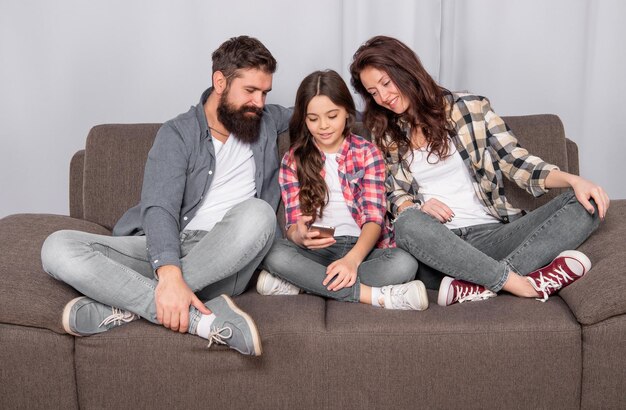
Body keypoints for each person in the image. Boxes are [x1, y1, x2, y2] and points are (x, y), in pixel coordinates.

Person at [41, 36, 292, 356]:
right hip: (166, 249)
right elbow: (159, 208)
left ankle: (126, 305)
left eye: (265, 92)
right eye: (250, 91)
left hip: (227, 257)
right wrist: (169, 273)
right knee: (57, 248)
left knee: (258, 214)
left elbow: (323, 109)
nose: (259, 102)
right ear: (220, 82)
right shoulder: (178, 133)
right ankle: (196, 319)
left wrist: (371, 108)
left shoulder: (267, 120)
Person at [349, 36, 610, 306]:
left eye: (385, 83)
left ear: (405, 71)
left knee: (586, 203)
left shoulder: (469, 108)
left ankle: (476, 285)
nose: (383, 97)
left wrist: (574, 180)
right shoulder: (383, 133)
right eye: (372, 92)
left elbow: (517, 162)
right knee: (408, 223)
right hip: (437, 245)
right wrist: (418, 208)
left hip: (493, 236)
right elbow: (393, 195)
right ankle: (517, 282)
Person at [257, 69, 426, 311]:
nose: (323, 126)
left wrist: (352, 260)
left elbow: (374, 219)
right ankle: (374, 295)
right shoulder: (293, 159)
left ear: (347, 113)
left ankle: (304, 283)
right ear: (303, 119)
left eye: (332, 116)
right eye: (313, 119)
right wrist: (300, 235)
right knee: (273, 253)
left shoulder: (368, 152)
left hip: (362, 250)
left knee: (404, 263)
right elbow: (293, 225)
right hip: (317, 251)